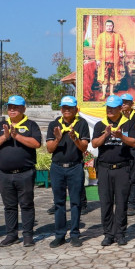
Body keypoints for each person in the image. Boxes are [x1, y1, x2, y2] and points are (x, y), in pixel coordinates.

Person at [0, 95, 42, 248]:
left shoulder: (31, 125)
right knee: (9, 206)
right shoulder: (1, 125)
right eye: (10, 107)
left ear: (23, 109)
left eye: (16, 107)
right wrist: (5, 137)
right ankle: (11, 235)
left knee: (26, 205)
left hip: (25, 173)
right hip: (5, 174)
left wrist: (16, 135)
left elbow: (36, 143)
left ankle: (28, 235)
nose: (12, 110)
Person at [92, 95, 135, 246]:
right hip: (104, 169)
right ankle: (108, 234)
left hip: (122, 168)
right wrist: (106, 135)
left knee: (121, 202)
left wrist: (121, 136)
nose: (110, 110)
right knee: (106, 202)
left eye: (113, 108)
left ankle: (120, 233)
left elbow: (134, 142)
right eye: (108, 107)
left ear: (120, 108)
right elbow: (94, 143)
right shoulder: (100, 125)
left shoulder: (128, 124)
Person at [46, 96, 90, 248]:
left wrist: (75, 138)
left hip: (75, 167)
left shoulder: (81, 123)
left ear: (76, 109)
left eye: (70, 108)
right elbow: (49, 149)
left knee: (76, 202)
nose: (67, 110)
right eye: (64, 107)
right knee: (59, 203)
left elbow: (84, 148)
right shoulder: (54, 124)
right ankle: (60, 235)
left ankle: (75, 234)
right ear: (61, 109)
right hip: (57, 167)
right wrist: (58, 139)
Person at [121, 93, 135, 216]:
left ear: (132, 104)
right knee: (121, 178)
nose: (124, 104)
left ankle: (132, 204)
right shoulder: (117, 116)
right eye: (122, 102)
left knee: (132, 177)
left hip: (134, 150)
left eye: (126, 102)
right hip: (121, 149)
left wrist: (130, 122)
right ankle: (121, 202)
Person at [95, 19, 127, 98]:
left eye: (110, 26)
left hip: (114, 59)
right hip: (104, 60)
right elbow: (97, 48)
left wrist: (121, 50)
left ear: (113, 26)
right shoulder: (101, 36)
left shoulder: (117, 36)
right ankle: (104, 94)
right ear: (105, 26)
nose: (109, 27)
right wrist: (98, 59)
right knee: (104, 77)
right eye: (107, 26)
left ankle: (111, 92)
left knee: (112, 76)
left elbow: (122, 44)